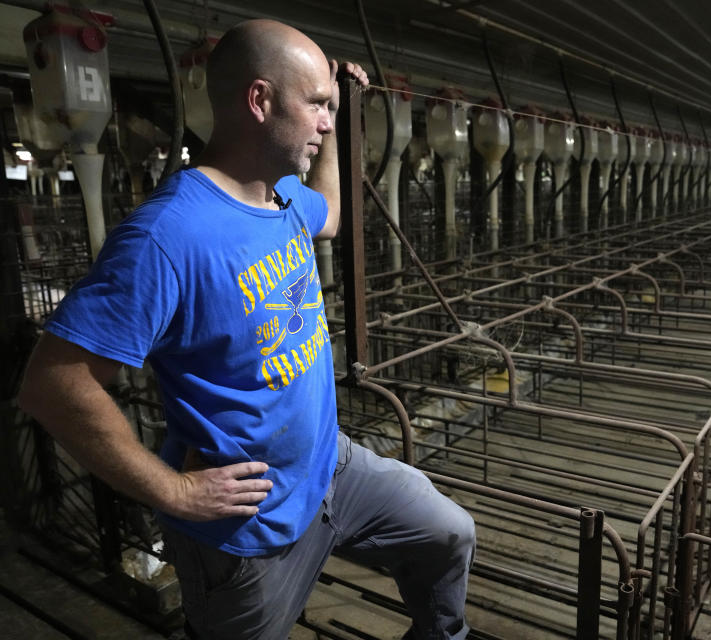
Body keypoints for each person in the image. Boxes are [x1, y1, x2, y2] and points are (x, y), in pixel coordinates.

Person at [18, 19, 475, 640]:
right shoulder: (168, 237)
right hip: (245, 527)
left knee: (449, 534)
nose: (324, 120)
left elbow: (334, 216)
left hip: (329, 468)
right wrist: (171, 491)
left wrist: (336, 113)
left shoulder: (282, 197)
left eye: (327, 108)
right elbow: (53, 384)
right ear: (259, 101)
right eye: (315, 105)